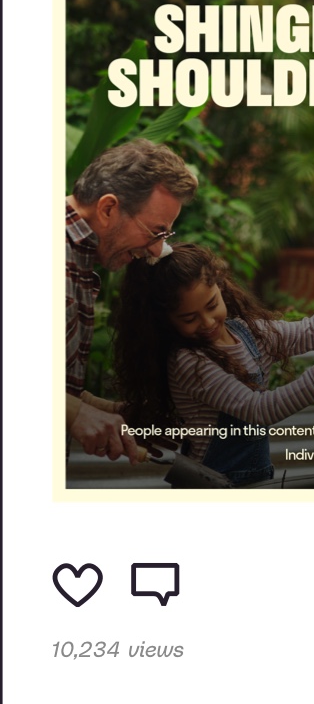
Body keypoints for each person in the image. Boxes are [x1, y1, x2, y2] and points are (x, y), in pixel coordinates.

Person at [113, 243, 314, 486]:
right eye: (189, 318)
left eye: (212, 305)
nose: (207, 322)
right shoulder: (190, 362)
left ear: (221, 287)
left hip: (252, 481)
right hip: (209, 486)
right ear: (165, 320)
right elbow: (259, 410)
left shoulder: (247, 333)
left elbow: (309, 332)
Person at [66, 139, 198, 463]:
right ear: (108, 208)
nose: (156, 250)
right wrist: (75, 415)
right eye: (156, 232)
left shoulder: (78, 258)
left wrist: (118, 413)